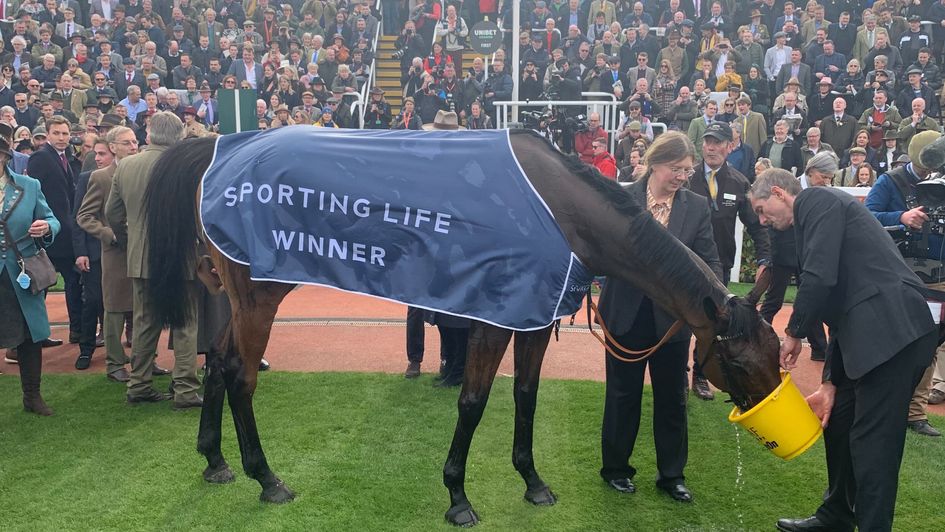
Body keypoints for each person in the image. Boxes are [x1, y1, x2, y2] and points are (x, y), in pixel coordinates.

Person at [749, 169, 938, 532]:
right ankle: (836, 516)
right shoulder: (814, 215)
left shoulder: (816, 199)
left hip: (893, 330)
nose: (763, 221)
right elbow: (836, 306)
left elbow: (820, 279)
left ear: (778, 192)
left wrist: (793, 333)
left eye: (762, 209)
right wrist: (831, 381)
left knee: (874, 447)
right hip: (872, 331)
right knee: (838, 420)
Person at [598, 131, 722, 502]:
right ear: (654, 163)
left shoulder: (697, 207)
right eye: (676, 168)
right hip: (623, 315)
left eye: (687, 170)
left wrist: (717, 302)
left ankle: (672, 475)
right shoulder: (622, 199)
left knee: (672, 398)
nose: (682, 176)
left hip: (672, 321)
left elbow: (709, 260)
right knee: (622, 395)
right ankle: (616, 469)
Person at [105, 111, 201, 409]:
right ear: (180, 136)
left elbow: (112, 214)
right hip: (180, 255)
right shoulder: (188, 166)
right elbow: (199, 214)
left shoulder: (127, 166)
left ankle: (139, 384)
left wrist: (132, 236)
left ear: (149, 134)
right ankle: (185, 388)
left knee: (145, 321)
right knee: (185, 322)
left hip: (142, 256)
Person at [864, 130, 944, 438]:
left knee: (930, 344)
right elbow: (867, 216)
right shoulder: (890, 182)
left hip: (938, 278)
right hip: (899, 274)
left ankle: (915, 413)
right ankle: (885, 405)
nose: (931, 172)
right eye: (927, 166)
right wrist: (902, 216)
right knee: (891, 339)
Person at [687, 121, 771, 399]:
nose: (711, 147)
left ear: (729, 146)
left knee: (710, 325)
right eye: (708, 142)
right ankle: (675, 374)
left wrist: (765, 256)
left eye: (718, 142)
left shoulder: (738, 181)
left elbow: (757, 224)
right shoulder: (686, 177)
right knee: (674, 320)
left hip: (717, 266)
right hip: (682, 264)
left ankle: (700, 375)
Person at [0, 132, 60, 415]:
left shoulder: (28, 185)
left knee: (28, 336)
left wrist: (46, 228)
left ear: (5, 157)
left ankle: (32, 396)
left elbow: (52, 219)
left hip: (20, 271)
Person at [76, 126, 138, 382]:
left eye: (135, 141)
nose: (134, 146)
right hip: (114, 254)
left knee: (143, 308)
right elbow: (83, 216)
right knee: (114, 310)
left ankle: (145, 360)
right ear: (113, 147)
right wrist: (107, 234)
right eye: (127, 143)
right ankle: (114, 364)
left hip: (141, 250)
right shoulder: (100, 177)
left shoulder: (142, 171)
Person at [26, 116, 80, 347]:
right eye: (57, 133)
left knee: (70, 280)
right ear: (47, 134)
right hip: (47, 234)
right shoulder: (40, 157)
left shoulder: (62, 157)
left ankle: (75, 332)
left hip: (63, 233)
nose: (61, 138)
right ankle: (34, 335)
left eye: (65, 134)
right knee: (42, 284)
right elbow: (32, 196)